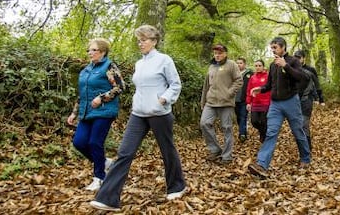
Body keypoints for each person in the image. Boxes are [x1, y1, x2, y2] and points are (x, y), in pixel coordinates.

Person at [90, 25, 186, 211]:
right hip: (138, 113)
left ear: (154, 41)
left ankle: (177, 186)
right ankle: (108, 198)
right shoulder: (139, 63)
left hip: (159, 113)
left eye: (144, 39)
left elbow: (175, 84)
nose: (140, 43)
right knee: (124, 152)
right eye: (139, 40)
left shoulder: (164, 60)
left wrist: (164, 99)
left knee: (168, 151)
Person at [247, 37, 311, 179]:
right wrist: (260, 89)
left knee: (298, 131)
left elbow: (303, 78)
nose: (273, 50)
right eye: (272, 48)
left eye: (275, 47)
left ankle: (306, 158)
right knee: (271, 132)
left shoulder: (293, 61)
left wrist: (286, 66)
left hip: (291, 102)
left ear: (283, 47)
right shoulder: (272, 65)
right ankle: (261, 165)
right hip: (275, 104)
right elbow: (270, 85)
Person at [67, 38, 125, 191]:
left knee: (94, 143)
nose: (90, 53)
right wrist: (74, 113)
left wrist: (102, 98)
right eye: (89, 50)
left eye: (94, 50)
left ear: (103, 52)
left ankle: (99, 178)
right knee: (79, 142)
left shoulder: (109, 67)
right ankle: (104, 162)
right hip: (86, 112)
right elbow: (82, 94)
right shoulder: (86, 70)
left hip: (104, 111)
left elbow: (120, 87)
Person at [200, 44, 243, 164]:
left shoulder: (232, 65)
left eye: (220, 53)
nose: (217, 55)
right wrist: (203, 101)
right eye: (215, 53)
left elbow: (239, 81)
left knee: (227, 128)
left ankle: (227, 156)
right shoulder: (211, 67)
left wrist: (229, 93)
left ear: (225, 53)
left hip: (226, 103)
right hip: (211, 101)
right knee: (204, 123)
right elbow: (206, 86)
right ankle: (215, 149)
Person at [294, 50, 324, 150]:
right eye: (296, 58)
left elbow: (317, 84)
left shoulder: (311, 70)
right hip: (295, 101)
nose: (297, 59)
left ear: (303, 58)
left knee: (304, 124)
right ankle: (302, 146)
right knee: (297, 126)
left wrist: (320, 99)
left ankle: (307, 147)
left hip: (307, 100)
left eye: (299, 57)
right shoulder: (292, 69)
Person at [246, 59, 271, 143]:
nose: (258, 67)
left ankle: (263, 137)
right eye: (256, 66)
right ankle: (263, 132)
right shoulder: (252, 77)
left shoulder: (267, 76)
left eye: (260, 65)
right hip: (255, 103)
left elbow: (270, 88)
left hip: (266, 103)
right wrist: (248, 102)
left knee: (264, 121)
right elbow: (249, 90)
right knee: (254, 122)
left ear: (263, 67)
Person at [235, 57, 253, 142]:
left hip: (245, 99)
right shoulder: (233, 73)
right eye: (237, 63)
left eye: (240, 63)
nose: (238, 65)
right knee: (238, 117)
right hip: (235, 100)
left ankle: (242, 134)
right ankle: (243, 131)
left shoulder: (249, 74)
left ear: (244, 64)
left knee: (243, 116)